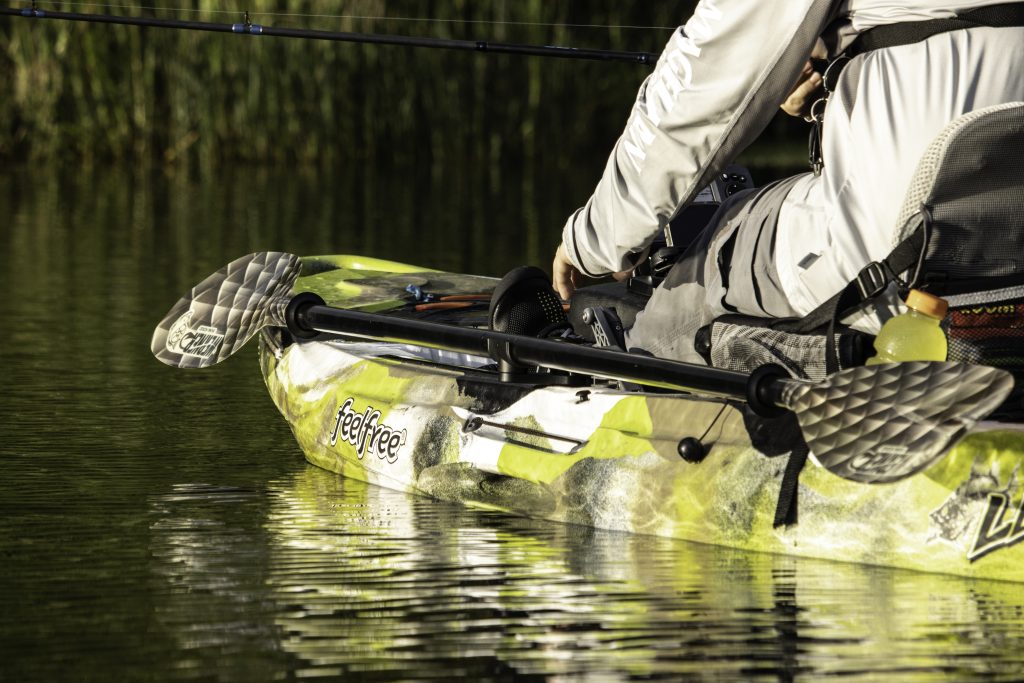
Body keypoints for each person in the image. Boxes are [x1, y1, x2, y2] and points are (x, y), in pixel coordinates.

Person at [552, 1, 1024, 364]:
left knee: (707, 261)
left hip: (890, 261)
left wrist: (592, 240)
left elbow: (705, 80)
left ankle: (626, 430)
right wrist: (837, 70)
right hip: (1008, 255)